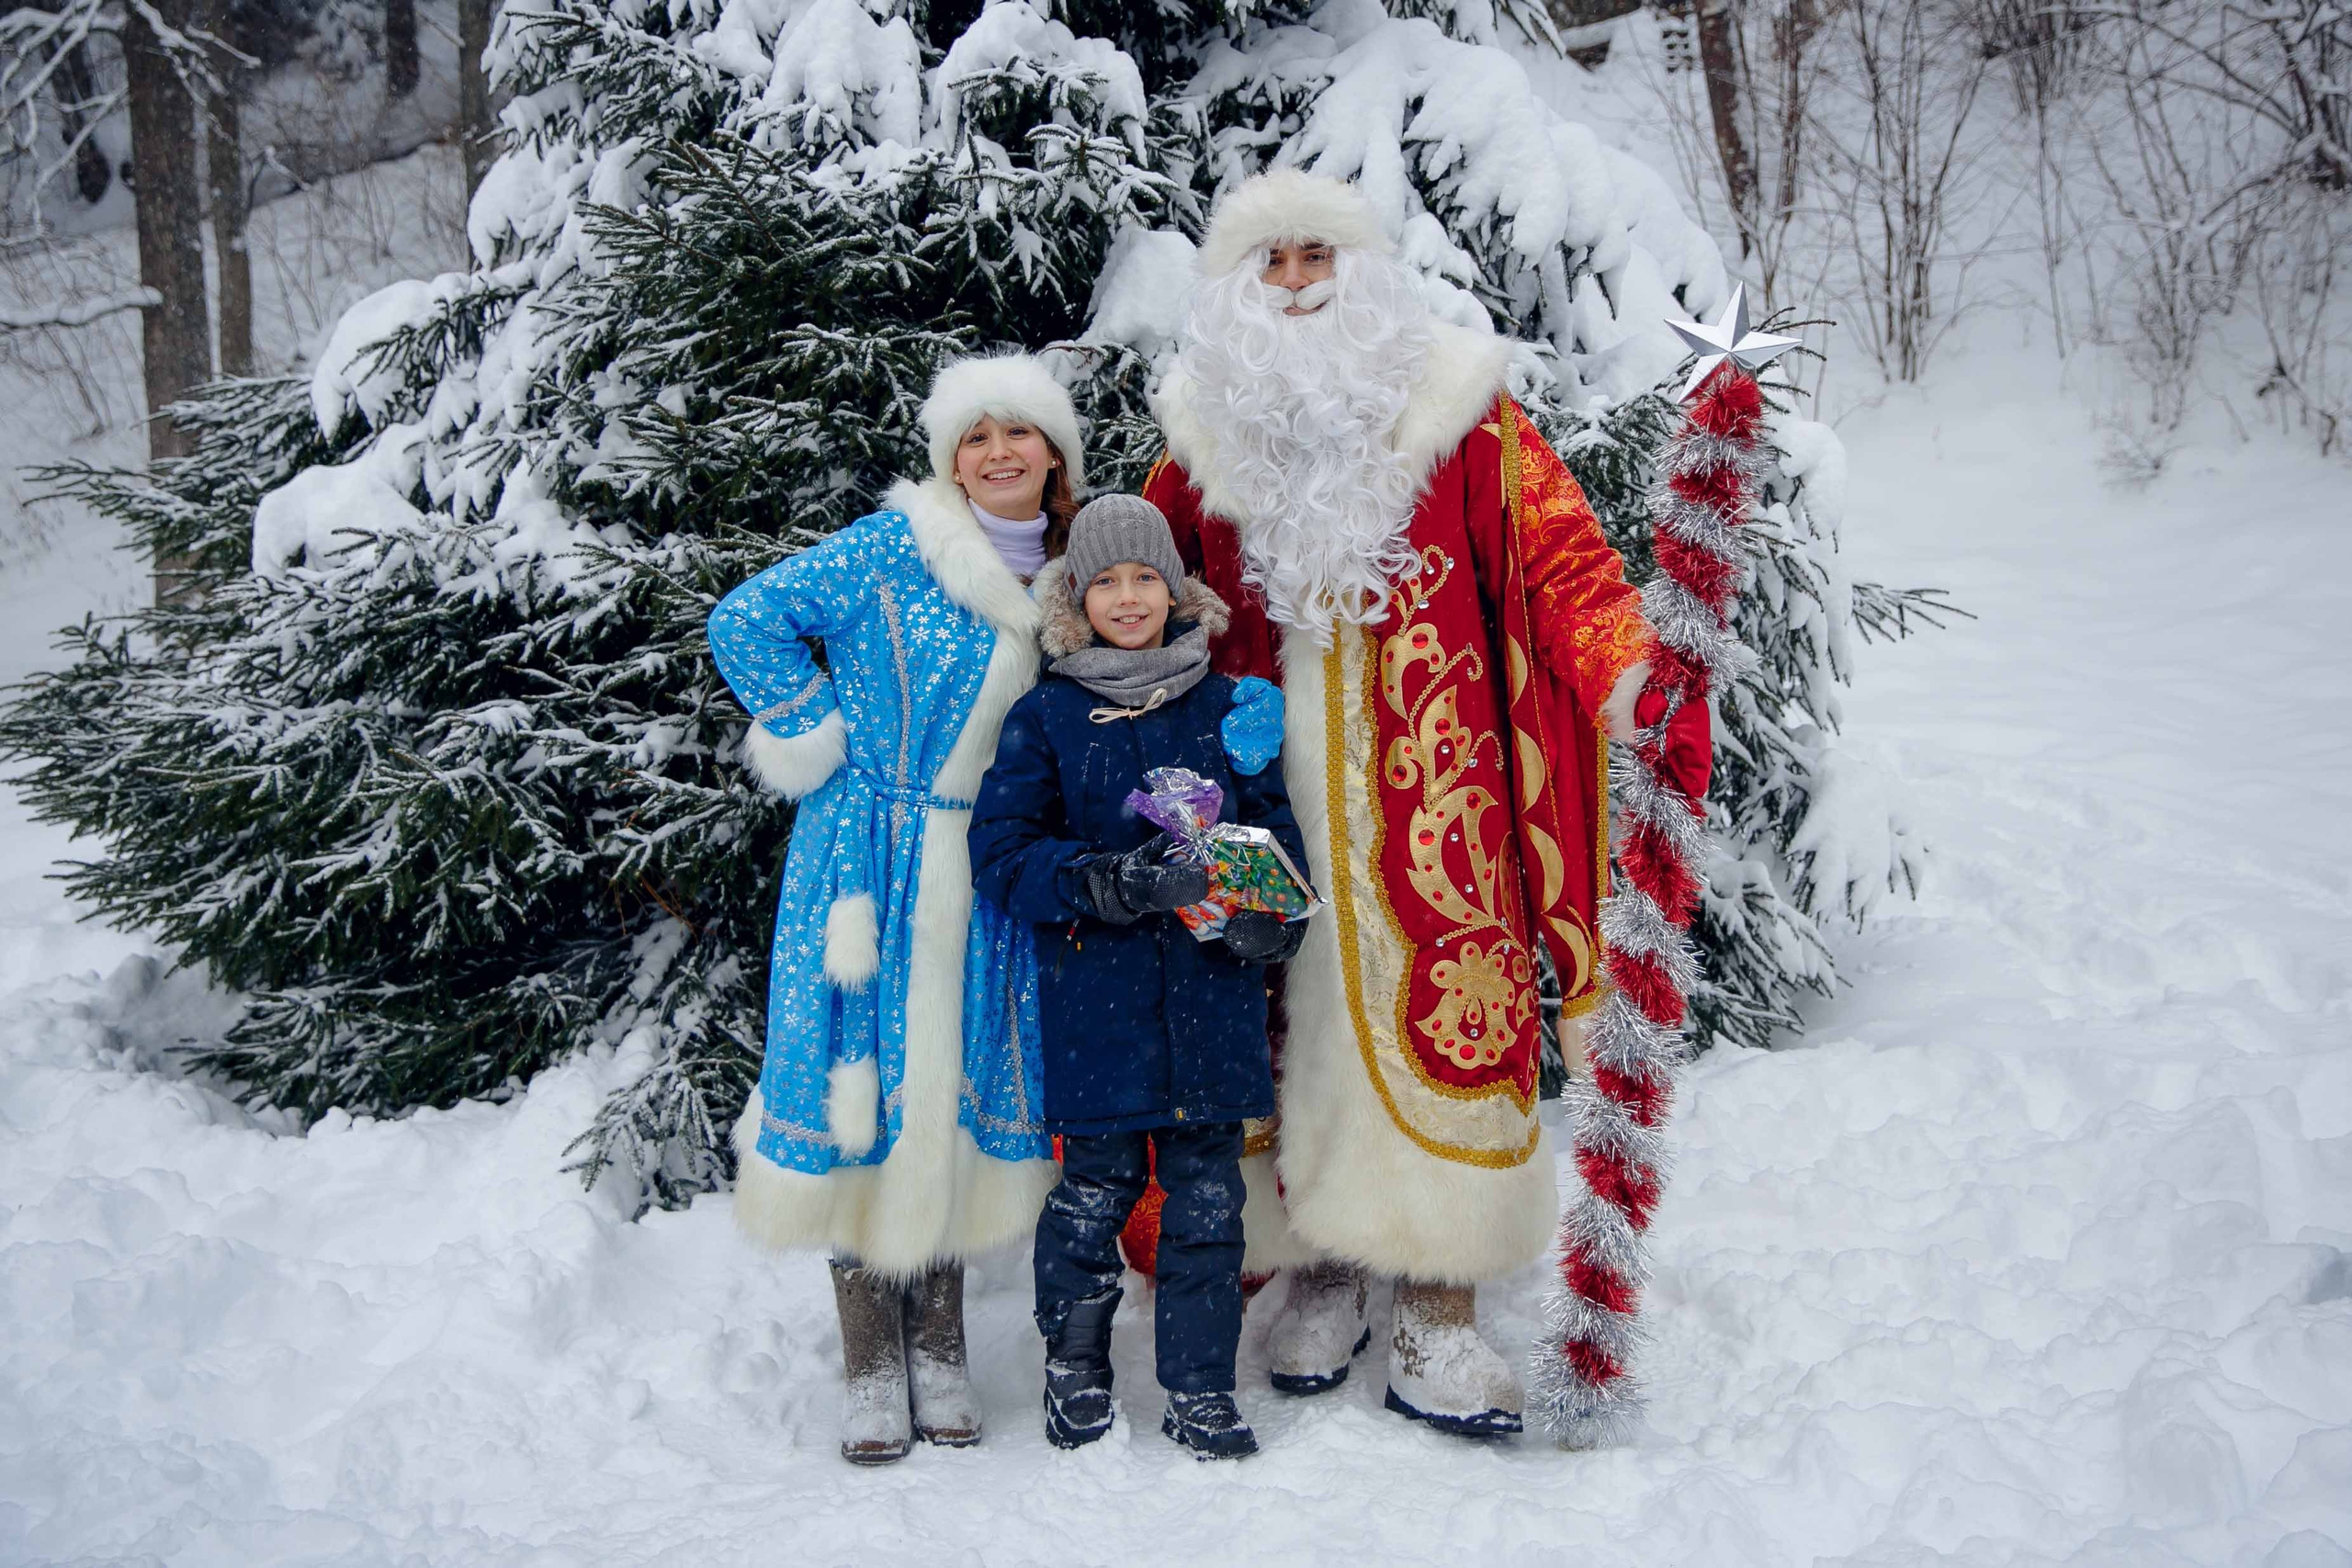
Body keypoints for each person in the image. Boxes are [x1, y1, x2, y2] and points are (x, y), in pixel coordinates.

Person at [1140, 168, 1705, 1437]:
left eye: (1316, 255)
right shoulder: (1201, 433)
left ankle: (1436, 1306)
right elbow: (1127, 579)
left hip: (1436, 801)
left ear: (1369, 269)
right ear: (1235, 288)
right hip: (1259, 804)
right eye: (1270, 262)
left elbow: (1565, 557)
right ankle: (1327, 1260)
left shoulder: (1465, 414)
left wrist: (1631, 673)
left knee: (1447, 1015)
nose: (1296, 281)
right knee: (1274, 1026)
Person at [707, 352, 1082, 1464]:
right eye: (976, 437)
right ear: (949, 458)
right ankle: (871, 1359)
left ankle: (943, 1348)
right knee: (861, 1076)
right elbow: (747, 618)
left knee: (951, 1085)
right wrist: (812, 730)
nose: (998, 454)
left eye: (1020, 435)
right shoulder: (894, 546)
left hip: (987, 863)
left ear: (1055, 457)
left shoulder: (1072, 576)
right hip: (866, 854)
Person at [967, 494, 1306, 1461]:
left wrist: (1266, 922)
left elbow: (1272, 840)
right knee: (1092, 1196)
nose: (1126, 597)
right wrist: (1110, 881)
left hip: (1210, 1004)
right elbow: (1002, 854)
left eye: (1144, 577)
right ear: (1076, 594)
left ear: (1174, 588)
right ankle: (1072, 1370)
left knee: (1207, 1202)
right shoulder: (1047, 716)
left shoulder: (1223, 706)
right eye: (1105, 580)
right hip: (1098, 1005)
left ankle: (1200, 1389)